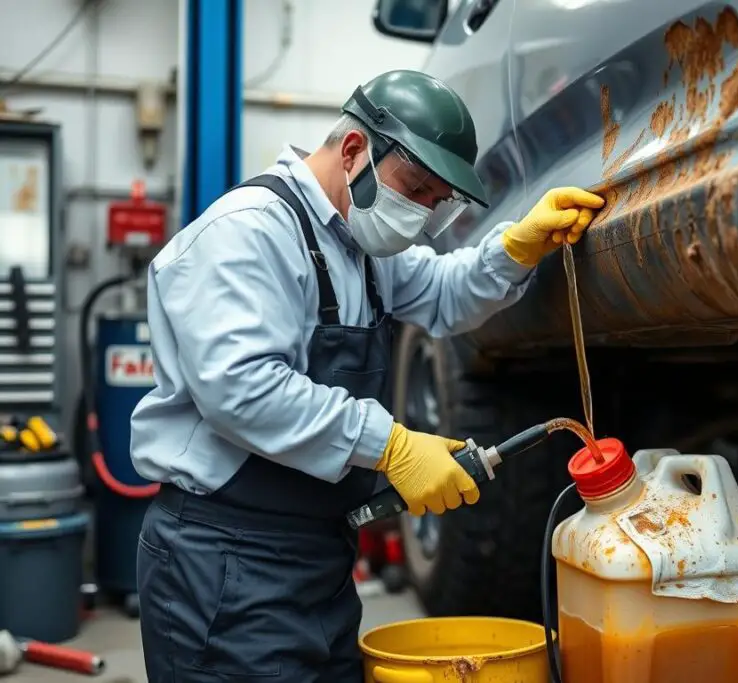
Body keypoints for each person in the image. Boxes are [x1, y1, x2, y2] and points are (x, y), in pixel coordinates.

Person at [129, 69, 604, 683]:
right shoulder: (249, 232)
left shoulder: (359, 247)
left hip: (317, 555)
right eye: (415, 187)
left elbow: (441, 293)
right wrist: (395, 447)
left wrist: (513, 248)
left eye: (436, 202)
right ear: (354, 150)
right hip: (223, 558)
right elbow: (242, 388)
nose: (420, 211)